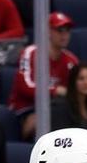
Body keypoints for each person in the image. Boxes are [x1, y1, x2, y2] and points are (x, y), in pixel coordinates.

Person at [9, 12, 80, 140]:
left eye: (67, 30)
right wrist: (56, 90)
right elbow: (24, 86)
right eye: (60, 30)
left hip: (58, 108)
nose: (64, 35)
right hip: (28, 109)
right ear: (47, 31)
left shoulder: (71, 60)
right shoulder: (30, 53)